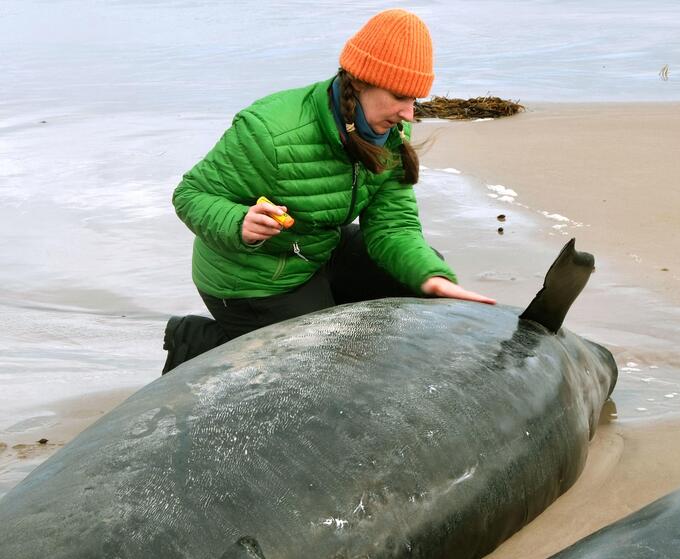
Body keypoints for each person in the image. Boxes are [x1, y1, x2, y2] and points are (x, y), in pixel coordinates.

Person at [163, 8, 495, 374]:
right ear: (362, 82)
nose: (409, 113)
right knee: (322, 367)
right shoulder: (270, 132)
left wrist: (430, 277)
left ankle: (325, 316)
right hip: (252, 279)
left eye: (414, 99)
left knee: (414, 279)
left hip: (317, 251)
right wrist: (238, 222)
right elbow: (190, 194)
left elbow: (392, 226)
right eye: (400, 96)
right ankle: (201, 343)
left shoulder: (391, 133)